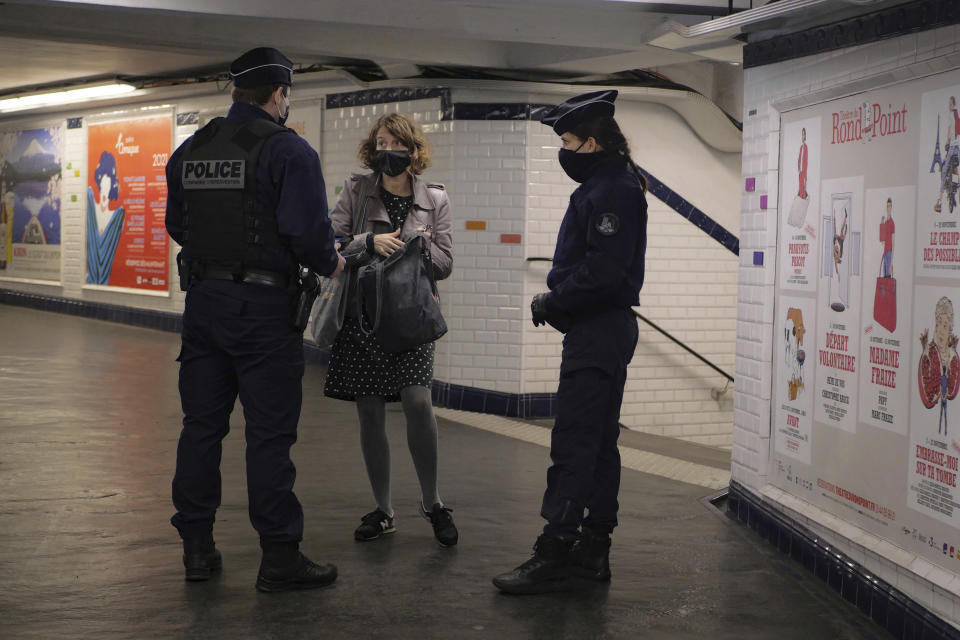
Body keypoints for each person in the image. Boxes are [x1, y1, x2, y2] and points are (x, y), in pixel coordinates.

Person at [164, 47, 345, 592]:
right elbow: (308, 235)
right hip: (265, 313)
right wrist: (332, 261)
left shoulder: (190, 150)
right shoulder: (289, 151)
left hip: (203, 306)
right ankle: (280, 558)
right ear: (279, 94)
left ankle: (197, 548)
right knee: (268, 436)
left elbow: (179, 224)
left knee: (201, 428)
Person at [492, 89, 647, 594]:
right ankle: (593, 552)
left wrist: (555, 301)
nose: (563, 151)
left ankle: (556, 549)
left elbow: (604, 271)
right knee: (599, 444)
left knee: (575, 441)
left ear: (593, 140)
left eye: (568, 140)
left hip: (599, 328)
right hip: (600, 327)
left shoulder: (612, 190)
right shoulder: (610, 183)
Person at [323, 113, 457, 547]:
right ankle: (383, 510)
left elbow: (446, 264)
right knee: (369, 411)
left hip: (412, 316)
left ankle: (433, 502)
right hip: (362, 317)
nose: (388, 151)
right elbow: (331, 243)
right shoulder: (358, 191)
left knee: (418, 402)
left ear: (412, 150)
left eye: (397, 144)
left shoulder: (434, 199)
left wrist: (418, 246)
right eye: (381, 142)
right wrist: (369, 242)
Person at [86, 151, 123, 284]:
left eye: (107, 185)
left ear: (112, 185)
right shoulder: (90, 204)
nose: (104, 190)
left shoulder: (117, 218)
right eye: (102, 184)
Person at [880, 198, 894, 278]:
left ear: (891, 207)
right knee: (884, 278)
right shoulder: (885, 222)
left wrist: (891, 263)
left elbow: (893, 244)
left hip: (889, 253)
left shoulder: (892, 223)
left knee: (888, 277)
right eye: (887, 206)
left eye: (889, 206)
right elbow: (882, 241)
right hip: (885, 253)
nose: (888, 208)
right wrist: (882, 224)